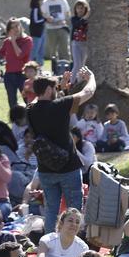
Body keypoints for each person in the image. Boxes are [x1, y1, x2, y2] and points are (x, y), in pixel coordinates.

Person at [27, 68, 96, 215]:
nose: (55, 90)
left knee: (51, 211)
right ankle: (72, 238)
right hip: (68, 168)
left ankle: (49, 238)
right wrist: (91, 78)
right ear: (48, 89)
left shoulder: (30, 109)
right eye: (53, 88)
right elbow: (88, 92)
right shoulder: (61, 105)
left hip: (45, 169)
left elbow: (45, 99)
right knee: (74, 211)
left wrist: (58, 86)